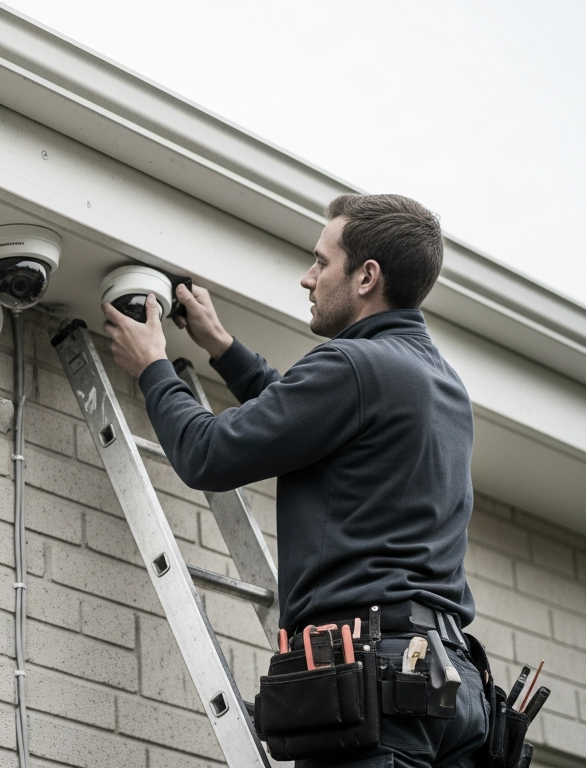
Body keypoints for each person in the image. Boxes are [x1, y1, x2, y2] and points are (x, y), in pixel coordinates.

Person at [102, 194, 487, 768]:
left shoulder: (354, 366)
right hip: (449, 685)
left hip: (376, 677)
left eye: (321, 261)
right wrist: (221, 346)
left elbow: (207, 454)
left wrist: (154, 367)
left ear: (366, 277)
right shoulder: (438, 382)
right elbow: (308, 416)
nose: (307, 279)